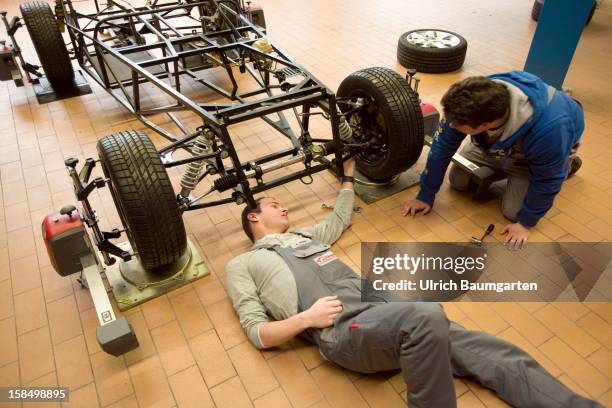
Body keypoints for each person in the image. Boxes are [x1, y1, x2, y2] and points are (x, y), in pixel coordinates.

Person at [225, 159, 600, 408]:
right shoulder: (243, 264)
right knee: (425, 316)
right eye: (274, 204)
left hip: (382, 309)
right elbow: (257, 332)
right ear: (254, 216)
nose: (284, 207)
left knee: (498, 352)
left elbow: (341, 216)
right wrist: (306, 320)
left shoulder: (308, 236)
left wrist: (348, 177)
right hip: (343, 329)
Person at [402, 71, 584, 248]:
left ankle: (566, 163)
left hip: (530, 157)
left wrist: (525, 223)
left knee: (513, 213)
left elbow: (548, 180)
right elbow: (441, 148)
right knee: (458, 181)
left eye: (457, 125)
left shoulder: (550, 130)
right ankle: (500, 164)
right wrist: (425, 195)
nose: (451, 125)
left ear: (485, 125)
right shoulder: (469, 99)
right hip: (493, 145)